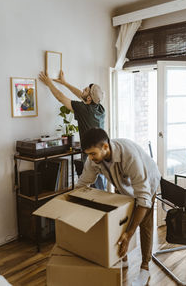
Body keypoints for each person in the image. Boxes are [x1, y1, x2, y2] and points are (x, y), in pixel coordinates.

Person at [76, 128, 161, 286]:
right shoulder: (94, 159)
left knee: (145, 225)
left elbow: (143, 198)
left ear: (105, 147)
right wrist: (71, 201)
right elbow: (83, 183)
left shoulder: (129, 156)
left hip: (148, 182)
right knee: (119, 219)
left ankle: (144, 268)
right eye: (88, 154)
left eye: (93, 154)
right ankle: (123, 258)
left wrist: (129, 234)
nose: (90, 158)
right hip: (123, 185)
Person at [38, 70, 106, 190]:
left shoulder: (84, 110)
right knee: (101, 189)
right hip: (103, 155)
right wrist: (65, 83)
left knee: (93, 191)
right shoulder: (100, 108)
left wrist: (49, 83)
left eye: (86, 90)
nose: (82, 90)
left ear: (89, 98)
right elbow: (81, 95)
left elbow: (60, 98)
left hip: (92, 156)